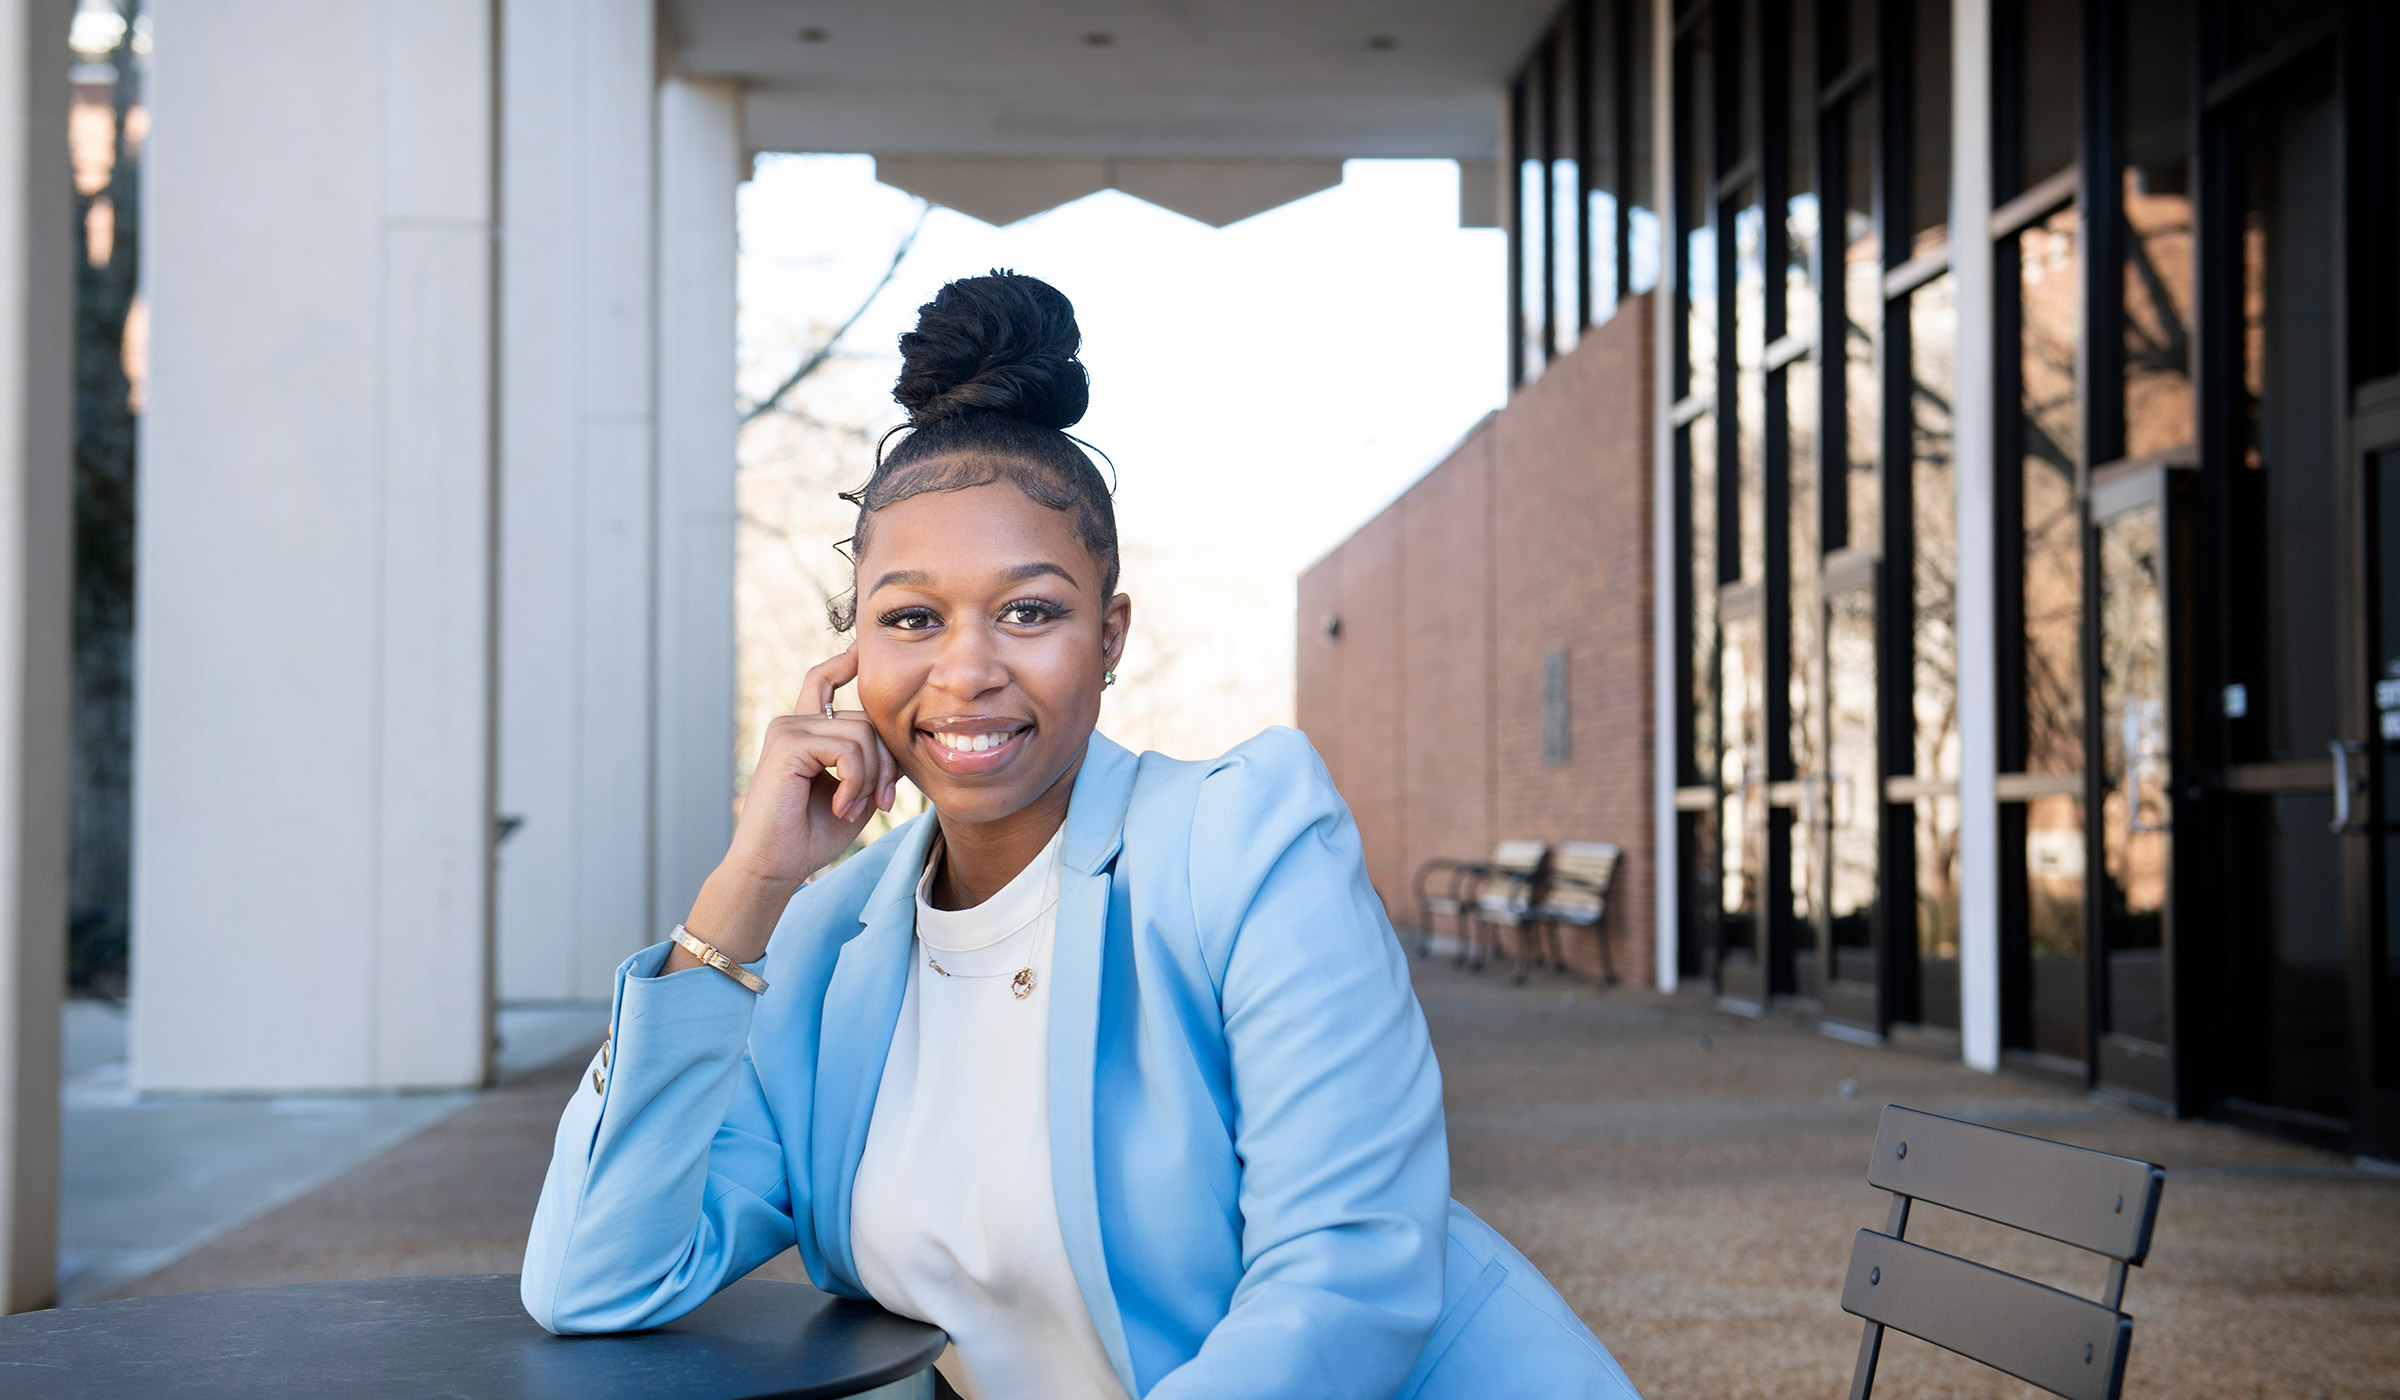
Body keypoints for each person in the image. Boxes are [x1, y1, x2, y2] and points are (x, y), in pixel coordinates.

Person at [521, 271, 1641, 1400]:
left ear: (1108, 636)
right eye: (911, 617)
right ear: (848, 657)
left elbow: (1342, 1284)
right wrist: (746, 885)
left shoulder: (1245, 846)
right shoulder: (820, 942)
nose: (967, 669)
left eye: (1030, 610)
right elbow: (596, 1276)